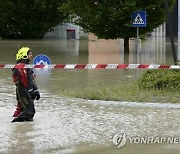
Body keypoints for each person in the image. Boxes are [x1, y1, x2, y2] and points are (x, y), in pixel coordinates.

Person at [12, 47, 40, 122]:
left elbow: (31, 79)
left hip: (24, 90)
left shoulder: (27, 66)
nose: (31, 55)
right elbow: (24, 80)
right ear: (24, 55)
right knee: (28, 112)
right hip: (22, 90)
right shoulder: (21, 66)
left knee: (27, 111)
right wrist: (30, 90)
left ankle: (20, 123)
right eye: (29, 54)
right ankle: (17, 124)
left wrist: (36, 90)